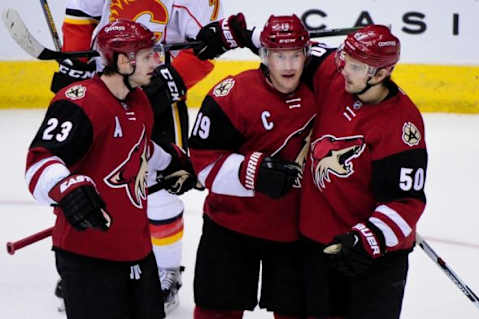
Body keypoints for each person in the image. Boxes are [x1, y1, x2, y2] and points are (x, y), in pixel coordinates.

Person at [49, 0, 246, 311]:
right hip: (102, 87)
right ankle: (87, 266)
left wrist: (168, 82)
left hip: (155, 91)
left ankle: (166, 270)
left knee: (157, 189)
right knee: (85, 178)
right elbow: (81, 16)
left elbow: (204, 46)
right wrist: (75, 64)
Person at [24, 19, 192, 319]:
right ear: (123, 61)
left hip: (138, 250)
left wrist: (172, 161)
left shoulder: (139, 100)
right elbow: (39, 164)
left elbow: (137, 148)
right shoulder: (82, 102)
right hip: (88, 255)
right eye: (146, 55)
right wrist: (68, 188)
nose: (156, 60)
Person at [188, 14, 316, 319]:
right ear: (264, 55)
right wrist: (253, 173)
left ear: (306, 55)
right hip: (231, 226)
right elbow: (203, 163)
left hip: (294, 229)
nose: (288, 66)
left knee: (296, 311)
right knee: (216, 309)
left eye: (296, 55)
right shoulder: (232, 94)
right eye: (279, 56)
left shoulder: (321, 89)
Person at [297, 25, 428, 318]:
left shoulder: (401, 125)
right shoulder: (336, 72)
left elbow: (405, 202)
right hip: (319, 245)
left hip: (373, 258)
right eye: (345, 59)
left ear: (381, 74)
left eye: (355, 66)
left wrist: (368, 238)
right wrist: (241, 34)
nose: (344, 69)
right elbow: (290, 47)